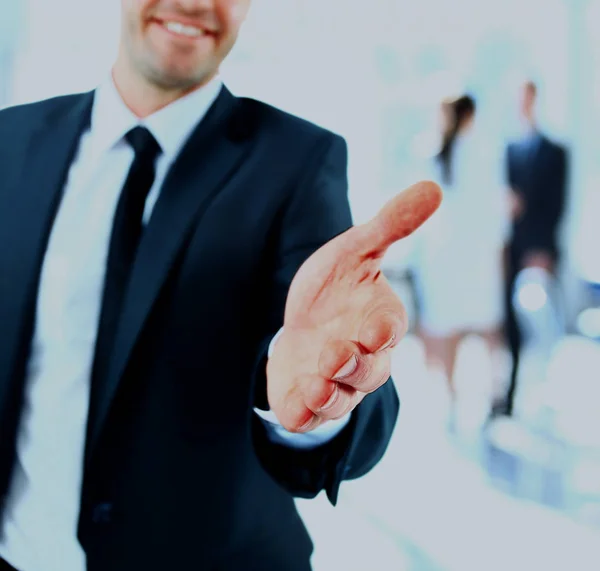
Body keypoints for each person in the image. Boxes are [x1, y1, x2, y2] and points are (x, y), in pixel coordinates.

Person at [0, 1, 441, 570]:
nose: (193, 3)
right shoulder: (12, 142)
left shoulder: (299, 164)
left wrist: (319, 391)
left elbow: (333, 351)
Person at [416, 94, 508, 409]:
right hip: (472, 252)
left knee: (454, 327)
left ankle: (456, 396)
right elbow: (495, 210)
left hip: (448, 254)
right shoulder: (479, 152)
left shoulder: (433, 151)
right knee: (486, 327)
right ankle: (493, 391)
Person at [500, 80, 568, 416]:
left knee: (541, 324)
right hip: (511, 250)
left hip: (538, 252)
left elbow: (557, 206)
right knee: (511, 327)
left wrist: (543, 253)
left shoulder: (555, 151)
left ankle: (545, 394)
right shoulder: (508, 149)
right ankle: (511, 395)